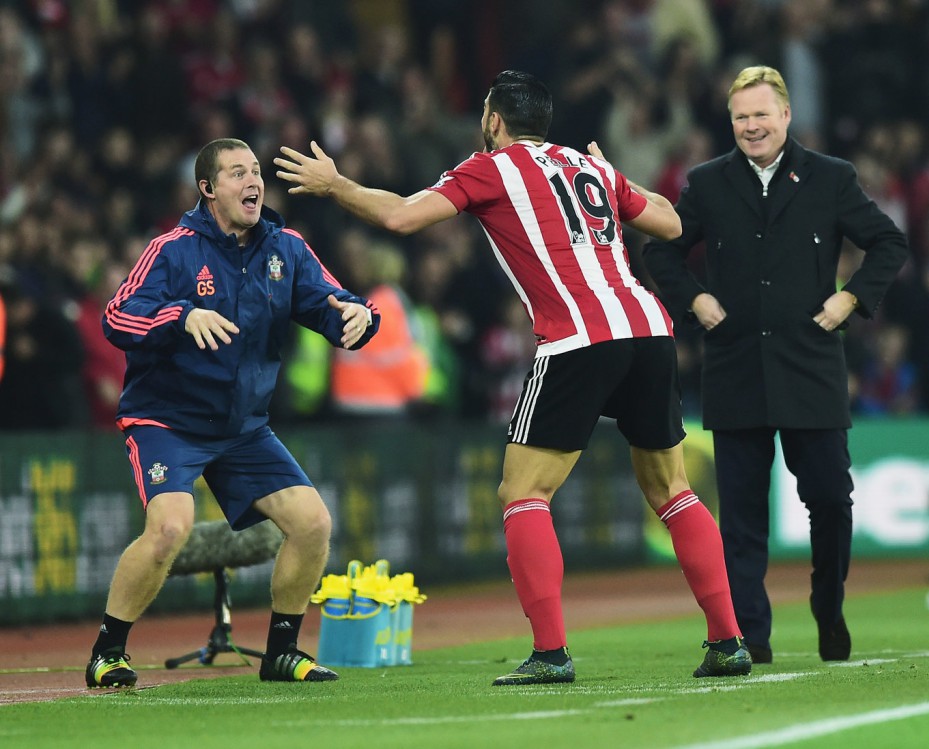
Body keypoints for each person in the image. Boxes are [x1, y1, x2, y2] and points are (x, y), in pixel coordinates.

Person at [275, 70, 751, 684]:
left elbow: (399, 218)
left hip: (580, 335)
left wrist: (336, 185)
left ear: (494, 120)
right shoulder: (586, 166)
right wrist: (614, 177)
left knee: (523, 494)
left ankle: (551, 653)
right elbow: (671, 224)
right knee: (673, 491)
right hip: (648, 329)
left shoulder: (490, 167)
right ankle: (728, 640)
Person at [87, 137, 380, 688]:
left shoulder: (286, 247)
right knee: (171, 528)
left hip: (243, 429)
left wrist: (361, 317)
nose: (253, 182)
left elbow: (336, 302)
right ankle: (109, 651)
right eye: (237, 174)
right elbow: (117, 317)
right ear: (208, 189)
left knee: (313, 524)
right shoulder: (172, 250)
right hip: (167, 420)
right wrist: (180, 316)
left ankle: (282, 653)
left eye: (255, 172)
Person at [643, 66, 909, 664]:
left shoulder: (831, 177)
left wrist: (851, 298)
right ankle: (750, 638)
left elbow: (888, 241)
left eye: (761, 114)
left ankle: (827, 605)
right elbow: (661, 248)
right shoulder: (707, 183)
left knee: (832, 502)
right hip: (736, 366)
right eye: (741, 117)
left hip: (811, 364)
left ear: (786, 115)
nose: (751, 126)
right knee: (740, 517)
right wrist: (694, 298)